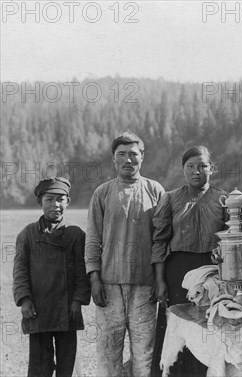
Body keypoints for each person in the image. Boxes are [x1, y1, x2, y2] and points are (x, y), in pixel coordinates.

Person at [85, 131, 165, 377]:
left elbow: (162, 240)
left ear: (142, 157)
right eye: (122, 154)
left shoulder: (156, 190)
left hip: (144, 286)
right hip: (108, 286)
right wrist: (94, 278)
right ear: (113, 159)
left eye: (133, 154)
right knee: (109, 353)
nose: (128, 160)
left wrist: (158, 279)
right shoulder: (102, 193)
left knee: (145, 354)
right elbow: (93, 239)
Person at [150, 146, 228, 376]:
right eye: (191, 166)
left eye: (203, 166)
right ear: (183, 169)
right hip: (177, 272)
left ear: (211, 169)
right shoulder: (170, 199)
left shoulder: (223, 199)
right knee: (176, 326)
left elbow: (231, 238)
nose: (197, 171)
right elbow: (159, 242)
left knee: (208, 326)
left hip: (211, 272)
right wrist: (159, 280)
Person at [13, 177, 91, 377]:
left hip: (67, 309)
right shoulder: (27, 234)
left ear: (68, 202)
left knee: (68, 363)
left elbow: (83, 271)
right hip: (38, 309)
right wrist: (24, 299)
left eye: (60, 199)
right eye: (49, 199)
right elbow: (20, 270)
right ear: (40, 202)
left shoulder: (75, 234)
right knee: (39, 364)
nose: (55, 205)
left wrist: (78, 300)